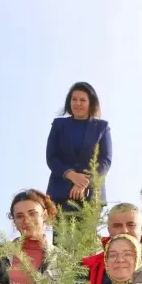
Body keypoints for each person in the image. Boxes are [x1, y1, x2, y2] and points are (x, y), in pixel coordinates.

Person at [45, 82, 111, 210]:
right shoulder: (59, 125)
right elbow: (51, 158)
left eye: (82, 100)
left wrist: (83, 183)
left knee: (88, 230)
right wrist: (72, 175)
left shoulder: (102, 127)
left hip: (91, 195)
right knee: (61, 230)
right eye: (74, 99)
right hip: (60, 194)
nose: (77, 103)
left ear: (90, 103)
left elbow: (105, 161)